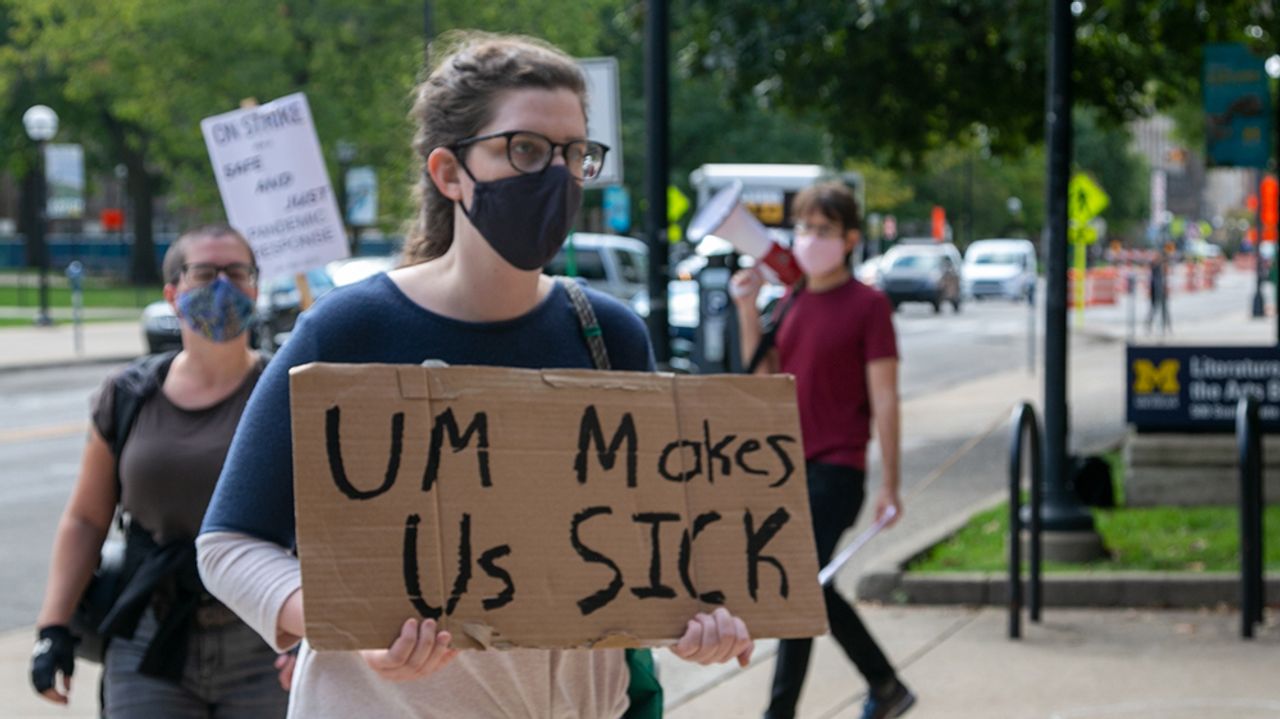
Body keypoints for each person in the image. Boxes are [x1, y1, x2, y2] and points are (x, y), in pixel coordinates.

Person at [196, 32, 753, 719]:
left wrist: (699, 620)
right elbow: (228, 545)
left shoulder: (609, 336)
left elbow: (642, 557)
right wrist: (349, 619)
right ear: (449, 172)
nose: (556, 173)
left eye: (575, 153)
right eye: (524, 149)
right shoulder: (348, 330)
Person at [30, 225, 289, 717]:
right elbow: (86, 518)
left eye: (237, 272)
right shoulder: (128, 395)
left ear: (255, 288)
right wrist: (53, 628)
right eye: (204, 273)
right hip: (149, 635)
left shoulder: (288, 392)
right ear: (173, 295)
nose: (223, 286)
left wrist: (310, 634)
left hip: (268, 637)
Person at [731, 183, 915, 719]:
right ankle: (885, 686)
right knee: (807, 588)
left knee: (800, 588)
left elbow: (885, 398)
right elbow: (763, 378)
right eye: (804, 227)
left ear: (850, 239)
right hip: (791, 469)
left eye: (823, 230)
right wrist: (747, 308)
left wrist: (890, 484)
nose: (810, 238)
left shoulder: (868, 306)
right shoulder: (792, 301)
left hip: (838, 469)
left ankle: (783, 712)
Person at [1145, 249, 1171, 337]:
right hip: (1155, 290)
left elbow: (1165, 279)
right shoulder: (1155, 266)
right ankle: (1149, 326)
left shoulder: (1163, 267)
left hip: (1162, 291)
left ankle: (1166, 328)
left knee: (1164, 310)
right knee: (1153, 309)